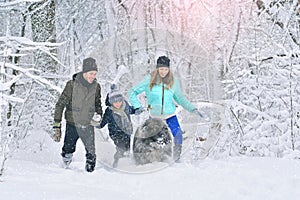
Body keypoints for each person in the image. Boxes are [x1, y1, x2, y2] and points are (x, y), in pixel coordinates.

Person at [128, 55, 205, 162]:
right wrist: (137, 106)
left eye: (165, 69)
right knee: (148, 139)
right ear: (157, 68)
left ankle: (175, 160)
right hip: (154, 118)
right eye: (161, 69)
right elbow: (132, 92)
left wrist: (193, 109)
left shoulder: (173, 82)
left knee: (178, 135)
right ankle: (147, 161)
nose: (163, 72)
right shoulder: (149, 80)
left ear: (168, 69)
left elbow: (180, 99)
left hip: (170, 116)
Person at [52, 57, 103, 172]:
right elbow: (60, 104)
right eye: (91, 73)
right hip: (72, 123)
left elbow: (98, 104)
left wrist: (99, 115)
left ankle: (90, 174)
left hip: (88, 123)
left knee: (91, 152)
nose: (93, 76)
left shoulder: (96, 87)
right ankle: (65, 167)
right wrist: (57, 123)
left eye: (95, 74)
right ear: (84, 72)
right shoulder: (71, 85)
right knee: (68, 149)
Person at [97, 84, 138, 168]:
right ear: (111, 102)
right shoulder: (109, 111)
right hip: (115, 133)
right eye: (115, 102)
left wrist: (137, 110)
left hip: (127, 131)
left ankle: (126, 164)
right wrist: (96, 124)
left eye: (119, 101)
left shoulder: (125, 106)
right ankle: (116, 163)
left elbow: (131, 110)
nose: (118, 104)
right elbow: (102, 122)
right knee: (120, 148)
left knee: (127, 148)